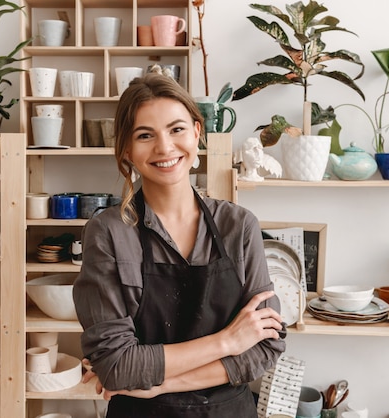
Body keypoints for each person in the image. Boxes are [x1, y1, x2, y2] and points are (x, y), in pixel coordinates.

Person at [73, 73, 286, 418]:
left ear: (197, 133)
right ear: (126, 149)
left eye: (177, 129)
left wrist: (159, 384)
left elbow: (266, 345)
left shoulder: (239, 226)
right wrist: (226, 342)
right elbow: (117, 367)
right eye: (145, 135)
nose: (165, 147)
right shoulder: (109, 232)